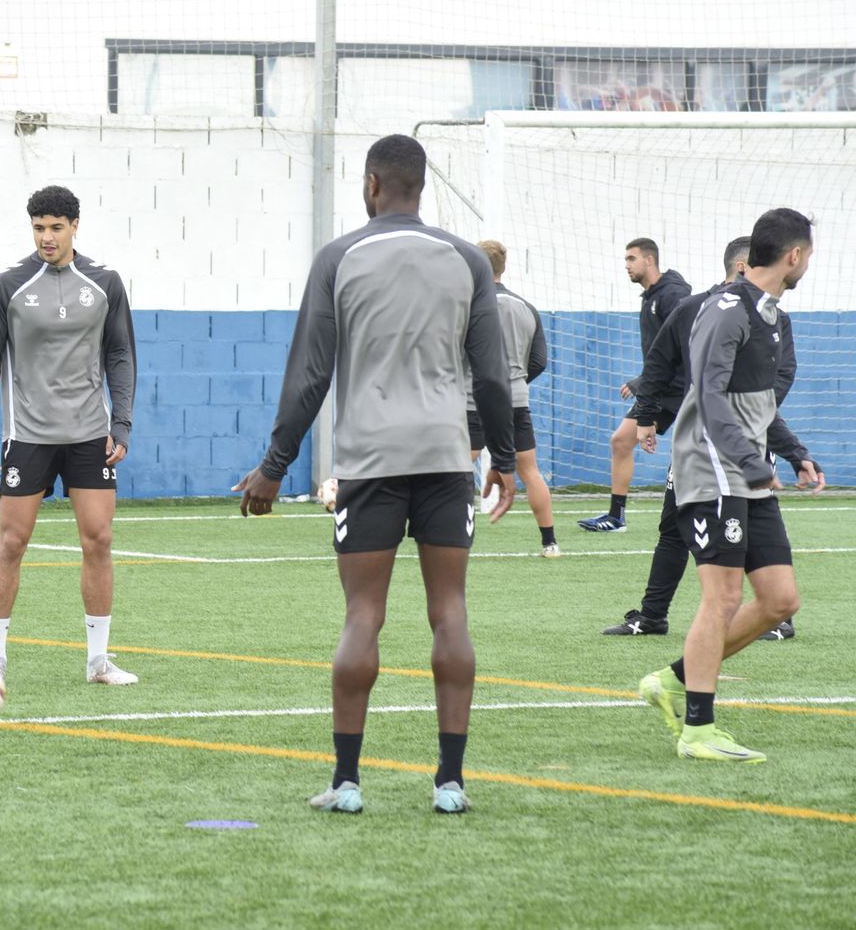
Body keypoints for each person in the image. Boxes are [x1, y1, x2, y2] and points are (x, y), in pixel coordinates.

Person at [235, 134, 516, 816]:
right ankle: (450, 782)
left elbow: (310, 375)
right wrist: (503, 459)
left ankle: (348, 781)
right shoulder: (467, 262)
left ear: (371, 185)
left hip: (369, 464)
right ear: (422, 187)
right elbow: (491, 373)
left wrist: (274, 467)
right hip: (448, 459)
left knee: (364, 613)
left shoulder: (338, 258)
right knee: (449, 611)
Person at [638, 209, 823, 763]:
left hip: (746, 468)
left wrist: (794, 454)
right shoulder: (726, 309)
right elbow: (711, 396)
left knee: (780, 600)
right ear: (793, 256)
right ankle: (698, 729)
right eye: (808, 256)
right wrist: (748, 457)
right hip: (712, 466)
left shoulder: (769, 315)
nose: (808, 264)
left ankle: (673, 681)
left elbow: (755, 405)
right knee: (722, 598)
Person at [0, 185, 138, 686]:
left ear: (75, 226)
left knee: (99, 539)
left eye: (56, 227)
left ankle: (98, 661)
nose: (47, 237)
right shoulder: (9, 285)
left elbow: (120, 354)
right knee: (12, 541)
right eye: (39, 227)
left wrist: (121, 420)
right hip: (28, 435)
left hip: (90, 432)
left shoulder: (105, 282)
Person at [603, 236, 802, 638]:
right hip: (698, 446)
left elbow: (784, 373)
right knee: (672, 526)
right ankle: (653, 615)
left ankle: (778, 615)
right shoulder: (695, 308)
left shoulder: (775, 318)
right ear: (745, 267)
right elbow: (660, 362)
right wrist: (646, 416)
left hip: (747, 442)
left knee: (755, 522)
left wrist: (761, 421)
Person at [578, 238, 689, 532]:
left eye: (631, 259)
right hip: (659, 388)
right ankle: (616, 516)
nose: (626, 265)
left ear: (649, 260)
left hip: (676, 389)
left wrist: (644, 381)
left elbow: (681, 346)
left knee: (692, 449)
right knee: (620, 441)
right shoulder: (651, 297)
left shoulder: (673, 294)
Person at [465, 239, 557, 558]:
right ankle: (550, 542)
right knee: (529, 469)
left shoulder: (469, 304)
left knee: (457, 466)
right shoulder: (526, 307)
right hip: (516, 400)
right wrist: (515, 382)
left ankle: (453, 534)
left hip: (473, 400)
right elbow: (539, 360)